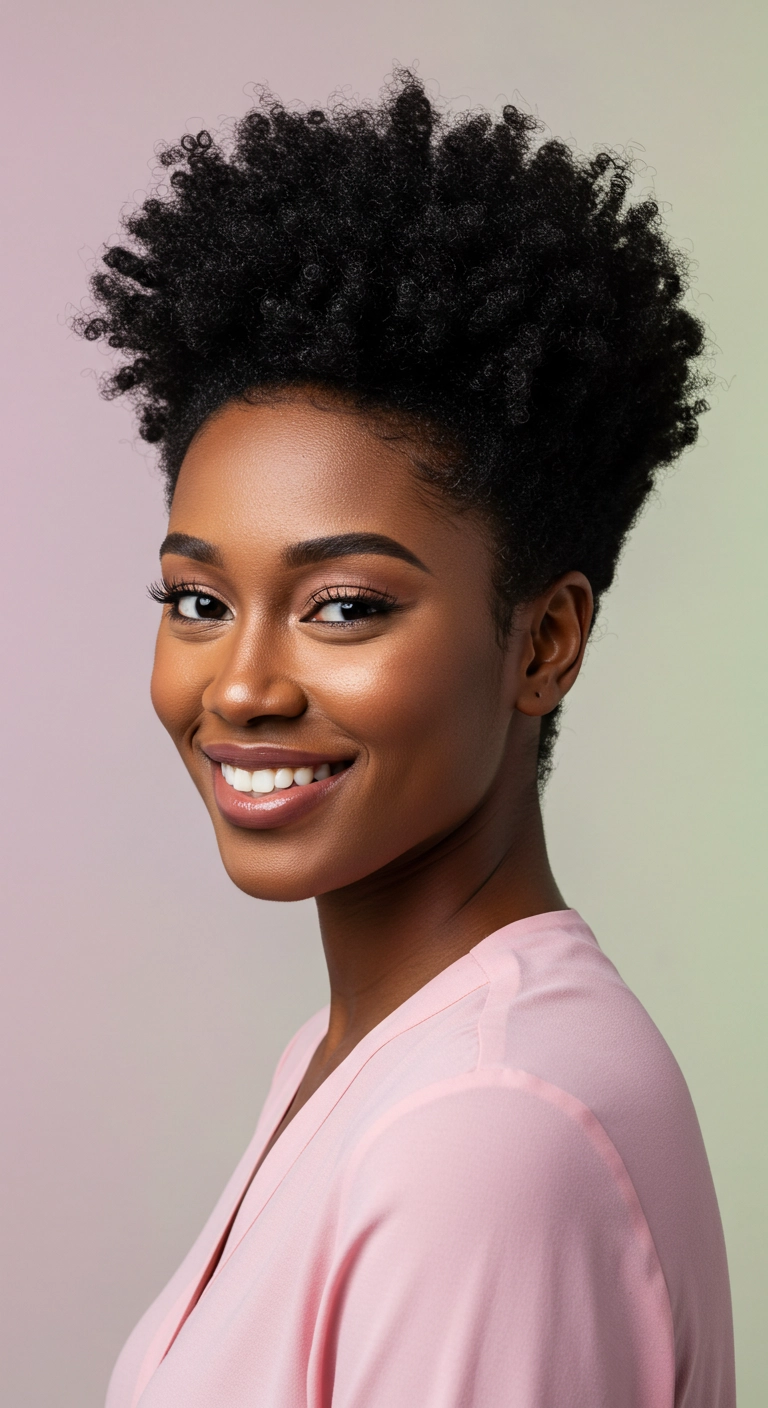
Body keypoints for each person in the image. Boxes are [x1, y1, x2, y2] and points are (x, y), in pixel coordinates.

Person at [77, 71, 734, 1408]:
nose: (242, 685)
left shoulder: (482, 1133)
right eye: (198, 600)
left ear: (543, 642)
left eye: (346, 607)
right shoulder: (379, 1057)